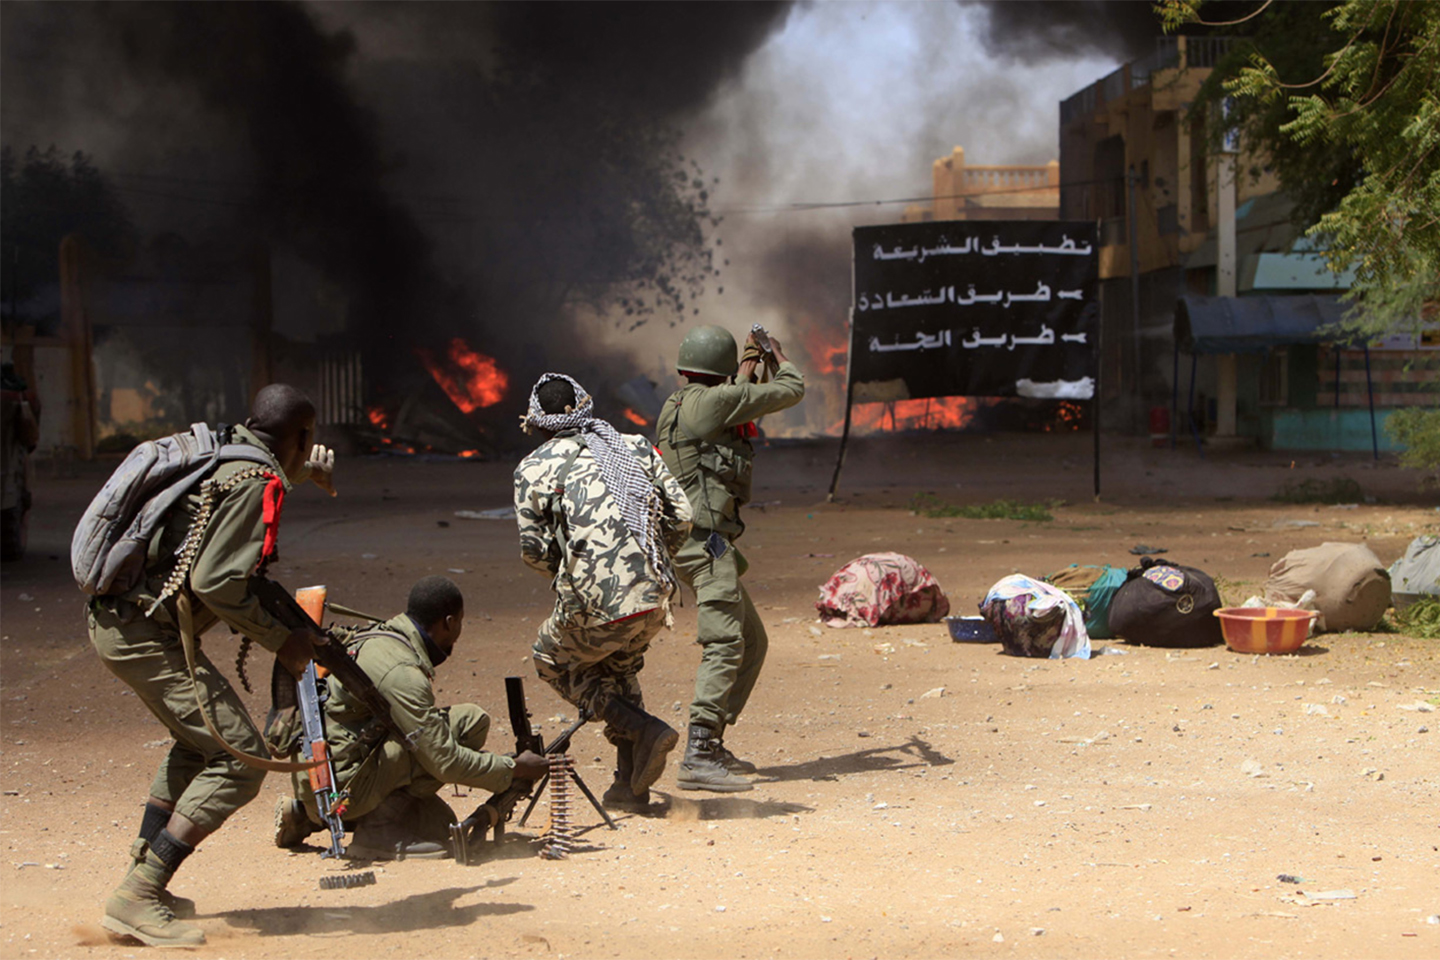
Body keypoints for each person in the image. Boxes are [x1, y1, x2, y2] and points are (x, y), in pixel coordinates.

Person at [88, 384, 337, 947]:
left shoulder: (228, 449)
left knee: (197, 746)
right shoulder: (257, 479)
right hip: (144, 636)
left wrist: (302, 474)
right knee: (239, 760)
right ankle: (139, 895)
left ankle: (143, 876)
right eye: (308, 441)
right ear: (301, 436)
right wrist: (284, 640)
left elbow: (227, 499)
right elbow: (216, 582)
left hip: (124, 625)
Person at [513, 373, 693, 811]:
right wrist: (647, 563)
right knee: (618, 668)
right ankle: (630, 787)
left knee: (549, 659)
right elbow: (683, 515)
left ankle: (642, 729)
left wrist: (575, 574)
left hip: (593, 605)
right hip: (655, 598)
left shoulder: (532, 468)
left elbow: (534, 552)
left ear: (537, 424)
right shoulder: (633, 446)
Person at [275, 575, 549, 858]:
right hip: (341, 786)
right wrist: (514, 768)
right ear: (449, 622)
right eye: (460, 622)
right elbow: (445, 761)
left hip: (319, 781)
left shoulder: (380, 636)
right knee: (465, 728)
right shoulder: (402, 673)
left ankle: (306, 815)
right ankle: (378, 832)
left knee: (438, 823)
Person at [656, 326, 804, 792]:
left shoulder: (680, 403)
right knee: (724, 642)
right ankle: (698, 753)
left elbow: (733, 397)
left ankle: (713, 741)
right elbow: (792, 389)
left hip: (689, 544)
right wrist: (777, 356)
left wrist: (747, 366)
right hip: (707, 546)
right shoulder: (718, 402)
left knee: (752, 641)